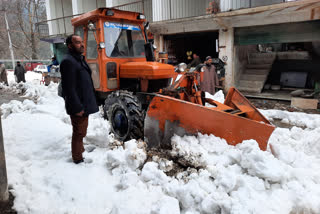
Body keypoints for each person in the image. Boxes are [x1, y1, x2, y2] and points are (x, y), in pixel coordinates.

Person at [60, 34, 99, 164]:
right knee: (78, 132)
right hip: (78, 106)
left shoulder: (79, 59)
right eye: (77, 42)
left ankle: (80, 150)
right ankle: (77, 158)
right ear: (70, 45)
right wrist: (77, 108)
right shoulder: (68, 61)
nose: (82, 44)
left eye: (82, 42)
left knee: (82, 131)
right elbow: (68, 88)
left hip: (84, 103)